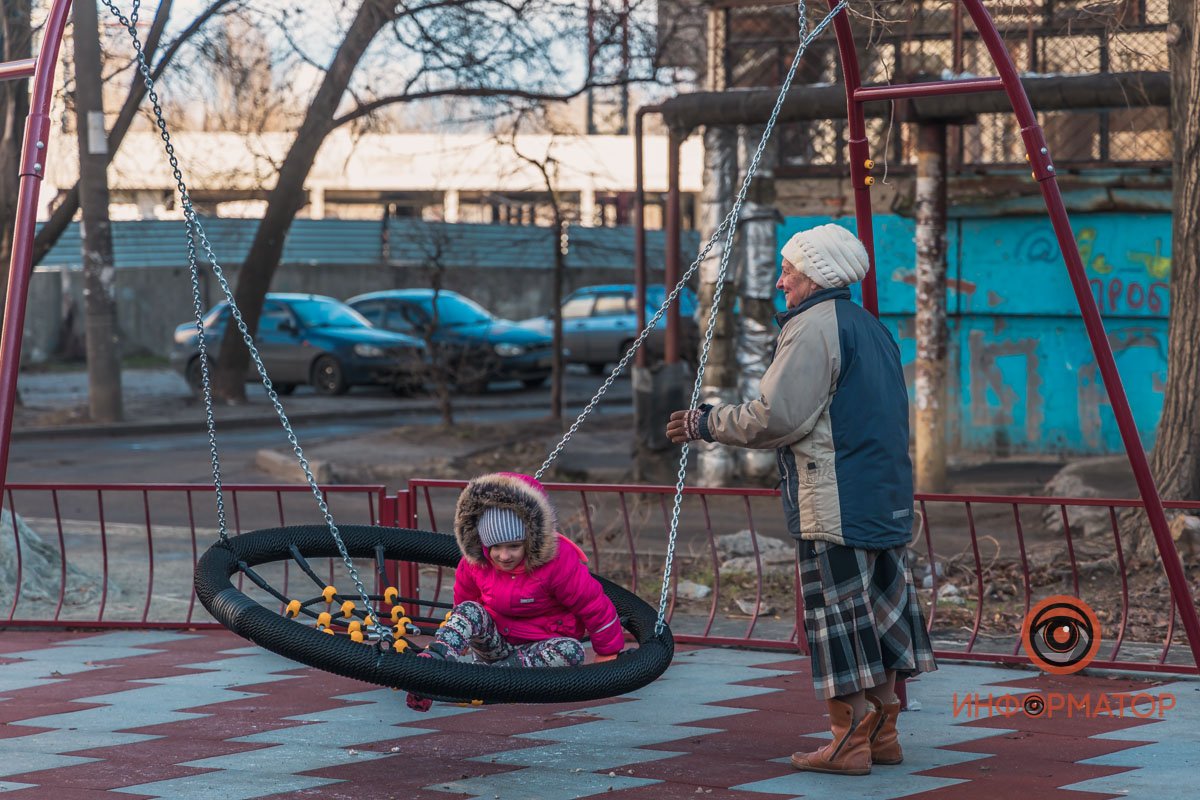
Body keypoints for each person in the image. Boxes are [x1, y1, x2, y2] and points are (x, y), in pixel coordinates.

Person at [666, 223, 936, 775]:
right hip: (884, 496)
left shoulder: (814, 328)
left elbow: (778, 417)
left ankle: (848, 741)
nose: (781, 280)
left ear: (817, 274)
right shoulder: (870, 327)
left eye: (789, 269)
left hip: (835, 497)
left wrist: (707, 422)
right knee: (878, 617)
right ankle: (883, 733)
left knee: (838, 622)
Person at [406, 471, 623, 712]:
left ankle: (487, 680)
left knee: (572, 650)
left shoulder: (558, 563)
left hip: (539, 648)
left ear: (530, 541)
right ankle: (433, 665)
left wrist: (607, 652)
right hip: (496, 642)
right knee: (469, 609)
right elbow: (464, 600)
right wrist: (461, 638)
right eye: (495, 547)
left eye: (514, 546)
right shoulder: (476, 562)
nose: (504, 556)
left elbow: (592, 604)